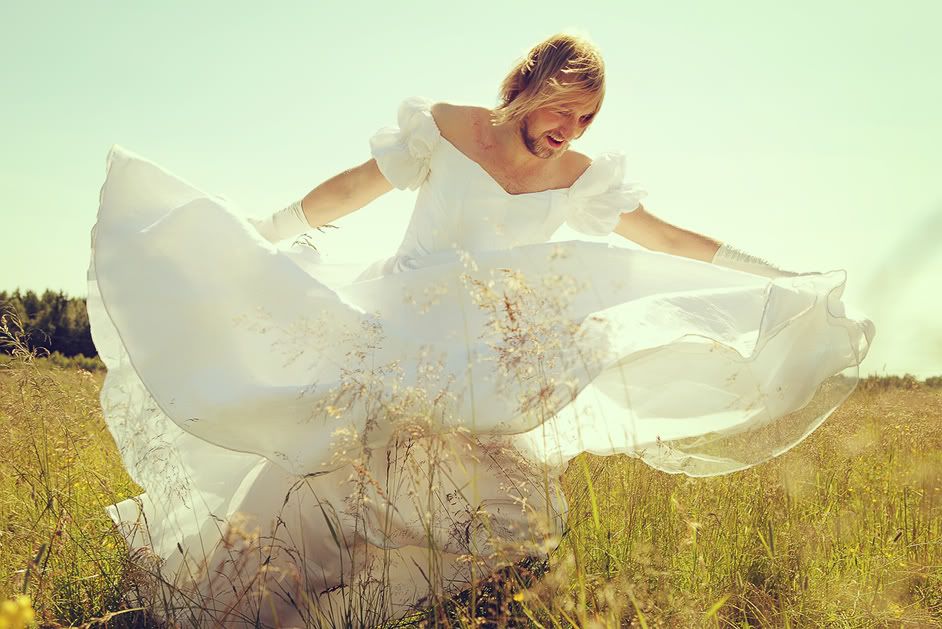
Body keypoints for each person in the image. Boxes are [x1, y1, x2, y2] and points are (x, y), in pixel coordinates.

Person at [87, 32, 874, 628]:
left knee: (498, 514)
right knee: (319, 469)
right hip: (394, 334)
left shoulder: (579, 177)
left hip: (480, 367)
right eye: (563, 108)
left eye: (587, 117)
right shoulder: (447, 128)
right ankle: (210, 601)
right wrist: (271, 226)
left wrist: (768, 275)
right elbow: (356, 190)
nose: (571, 127)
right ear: (526, 86)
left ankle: (341, 613)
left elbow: (665, 242)